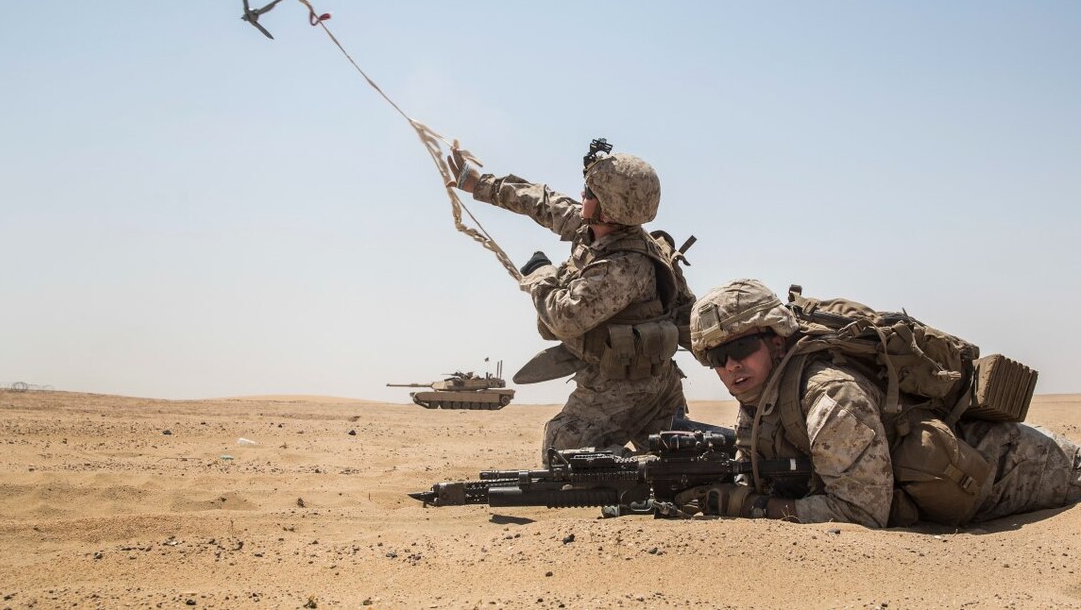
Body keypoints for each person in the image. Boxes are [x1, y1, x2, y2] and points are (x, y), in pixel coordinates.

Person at [679, 278, 1081, 527]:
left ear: (777, 340)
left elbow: (861, 511)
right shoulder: (759, 399)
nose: (732, 365)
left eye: (743, 347)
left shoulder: (829, 395)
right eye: (717, 357)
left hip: (1026, 469)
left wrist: (753, 508)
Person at [448, 141, 691, 462]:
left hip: (622, 389)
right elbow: (543, 202)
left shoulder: (623, 267)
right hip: (653, 379)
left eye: (589, 193)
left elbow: (563, 317)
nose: (581, 196)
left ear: (609, 208)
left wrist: (539, 272)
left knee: (563, 454)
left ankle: (645, 470)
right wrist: (479, 183)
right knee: (681, 456)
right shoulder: (597, 226)